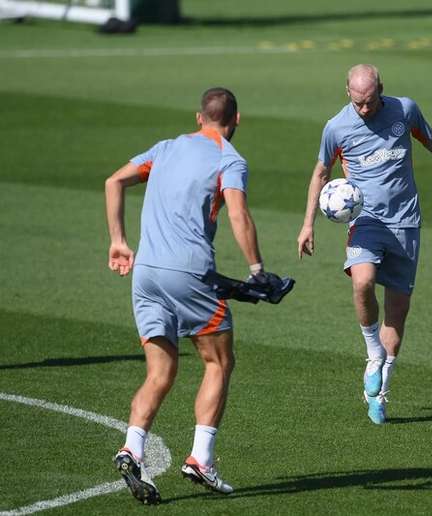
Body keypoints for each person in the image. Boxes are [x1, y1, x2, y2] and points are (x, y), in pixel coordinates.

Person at [297, 64, 432, 425]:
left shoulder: (404, 110)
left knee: (398, 310)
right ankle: (371, 350)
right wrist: (307, 223)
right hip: (366, 222)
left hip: (406, 222)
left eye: (370, 102)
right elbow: (321, 173)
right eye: (358, 103)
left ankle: (379, 391)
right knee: (361, 282)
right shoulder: (336, 128)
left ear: (381, 90)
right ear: (348, 92)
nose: (365, 109)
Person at [105, 87, 264, 503]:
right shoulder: (230, 159)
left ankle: (132, 448)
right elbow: (237, 213)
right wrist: (257, 270)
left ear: (199, 117)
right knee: (218, 361)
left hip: (147, 274)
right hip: (190, 273)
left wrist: (118, 241)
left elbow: (114, 181)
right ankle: (201, 459)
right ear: (237, 120)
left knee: (160, 373)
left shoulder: (166, 148)